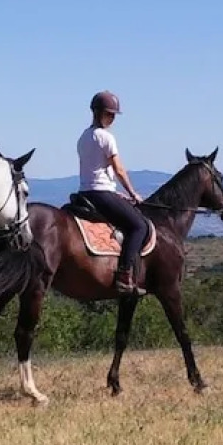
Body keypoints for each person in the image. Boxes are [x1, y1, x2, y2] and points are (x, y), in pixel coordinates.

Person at [76, 90, 149, 294]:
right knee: (138, 226)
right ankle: (125, 275)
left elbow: (94, 171)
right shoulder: (106, 137)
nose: (113, 118)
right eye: (111, 114)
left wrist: (117, 194)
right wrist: (133, 193)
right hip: (101, 194)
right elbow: (118, 169)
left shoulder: (83, 137)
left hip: (86, 192)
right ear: (100, 113)